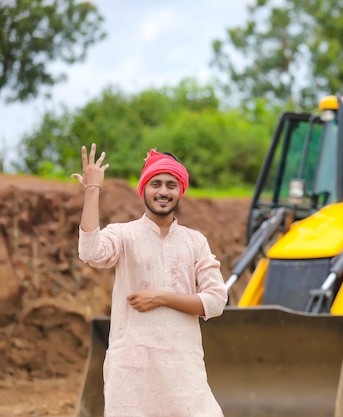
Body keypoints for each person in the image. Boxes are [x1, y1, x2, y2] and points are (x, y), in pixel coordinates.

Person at [73, 143, 228, 417]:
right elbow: (90, 252)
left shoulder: (195, 241)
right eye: (156, 183)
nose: (163, 191)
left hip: (183, 366)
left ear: (181, 190)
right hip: (133, 369)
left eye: (171, 184)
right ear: (143, 189)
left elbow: (215, 302)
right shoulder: (124, 235)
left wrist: (160, 297)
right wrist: (92, 190)